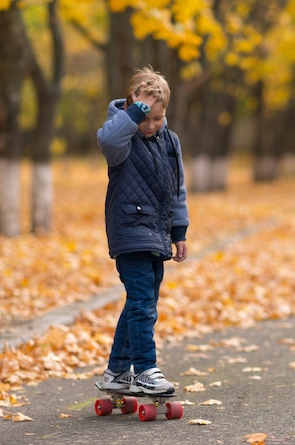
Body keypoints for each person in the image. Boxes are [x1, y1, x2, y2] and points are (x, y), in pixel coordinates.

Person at [96, 67, 189, 395]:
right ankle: (146, 368)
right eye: (146, 117)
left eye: (158, 118)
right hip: (129, 231)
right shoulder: (122, 135)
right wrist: (136, 112)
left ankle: (117, 372)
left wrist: (179, 230)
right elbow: (107, 140)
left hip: (158, 232)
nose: (151, 126)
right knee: (142, 302)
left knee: (141, 301)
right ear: (132, 109)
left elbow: (176, 189)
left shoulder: (170, 140)